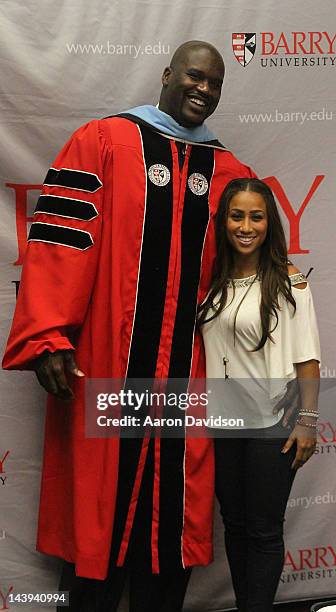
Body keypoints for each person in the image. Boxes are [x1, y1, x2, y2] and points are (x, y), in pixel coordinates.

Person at [2, 41, 262, 612]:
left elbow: (244, 282)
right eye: (195, 76)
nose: (204, 90)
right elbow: (60, 245)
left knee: (171, 514)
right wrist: (48, 336)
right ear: (169, 74)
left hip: (185, 373)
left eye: (215, 84)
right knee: (102, 507)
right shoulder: (104, 142)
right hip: (107, 362)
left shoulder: (228, 173)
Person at [198, 178, 320, 612]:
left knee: (264, 530)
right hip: (224, 422)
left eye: (256, 216)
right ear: (224, 221)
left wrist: (307, 421)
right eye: (237, 216)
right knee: (235, 525)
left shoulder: (287, 280)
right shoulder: (215, 280)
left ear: (269, 223)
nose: (246, 226)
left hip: (273, 424)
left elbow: (308, 359)